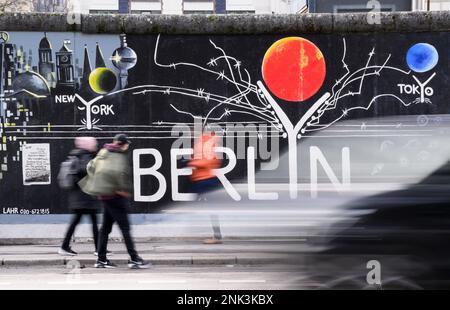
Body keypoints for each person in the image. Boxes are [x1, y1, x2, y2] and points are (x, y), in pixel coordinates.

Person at [79, 134, 149, 269]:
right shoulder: (118, 155)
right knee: (125, 228)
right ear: (123, 144)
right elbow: (118, 174)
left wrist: (100, 184)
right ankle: (134, 258)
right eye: (127, 144)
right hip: (116, 196)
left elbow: (90, 166)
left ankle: (101, 260)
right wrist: (123, 189)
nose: (127, 146)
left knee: (105, 229)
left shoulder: (103, 152)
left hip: (105, 196)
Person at [58, 137, 100, 256]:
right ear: (88, 145)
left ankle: (65, 246)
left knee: (81, 222)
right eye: (94, 144)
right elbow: (85, 169)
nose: (95, 146)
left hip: (80, 197)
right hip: (85, 197)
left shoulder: (76, 155)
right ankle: (98, 249)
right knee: (92, 223)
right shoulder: (85, 156)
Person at [188, 131, 223, 244]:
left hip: (206, 180)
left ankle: (217, 237)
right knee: (209, 208)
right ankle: (217, 236)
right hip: (200, 180)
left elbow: (209, 161)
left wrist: (193, 164)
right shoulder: (201, 141)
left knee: (211, 208)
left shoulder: (206, 142)